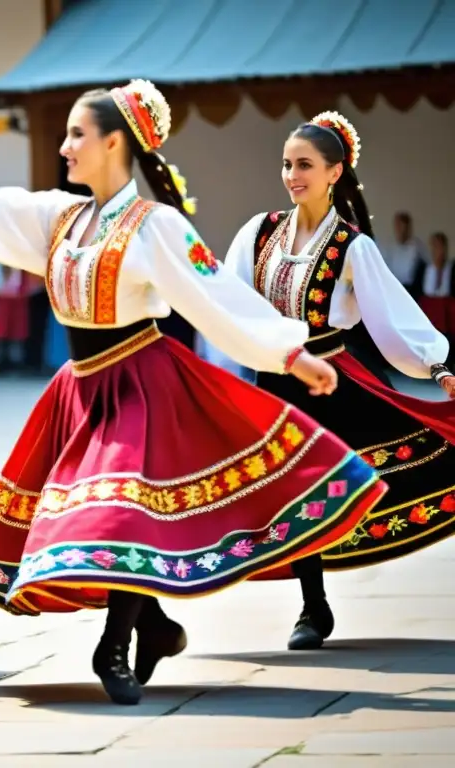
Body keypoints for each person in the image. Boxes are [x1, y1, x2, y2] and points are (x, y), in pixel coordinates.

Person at [0, 80, 387, 706]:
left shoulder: (156, 225)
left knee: (118, 515)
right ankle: (158, 626)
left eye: (76, 135)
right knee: (96, 521)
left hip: (141, 384)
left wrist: (289, 352)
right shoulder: (60, 219)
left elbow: (214, 297)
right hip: (78, 390)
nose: (64, 148)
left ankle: (111, 647)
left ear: (114, 142)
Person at [221, 112, 455, 651]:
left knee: (312, 486)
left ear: (334, 172)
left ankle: (313, 607)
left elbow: (393, 316)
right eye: (286, 163)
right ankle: (313, 604)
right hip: (269, 381)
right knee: (276, 489)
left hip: (327, 384)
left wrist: (436, 365)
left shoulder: (352, 247)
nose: (292, 174)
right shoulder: (257, 234)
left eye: (304, 164)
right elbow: (225, 303)